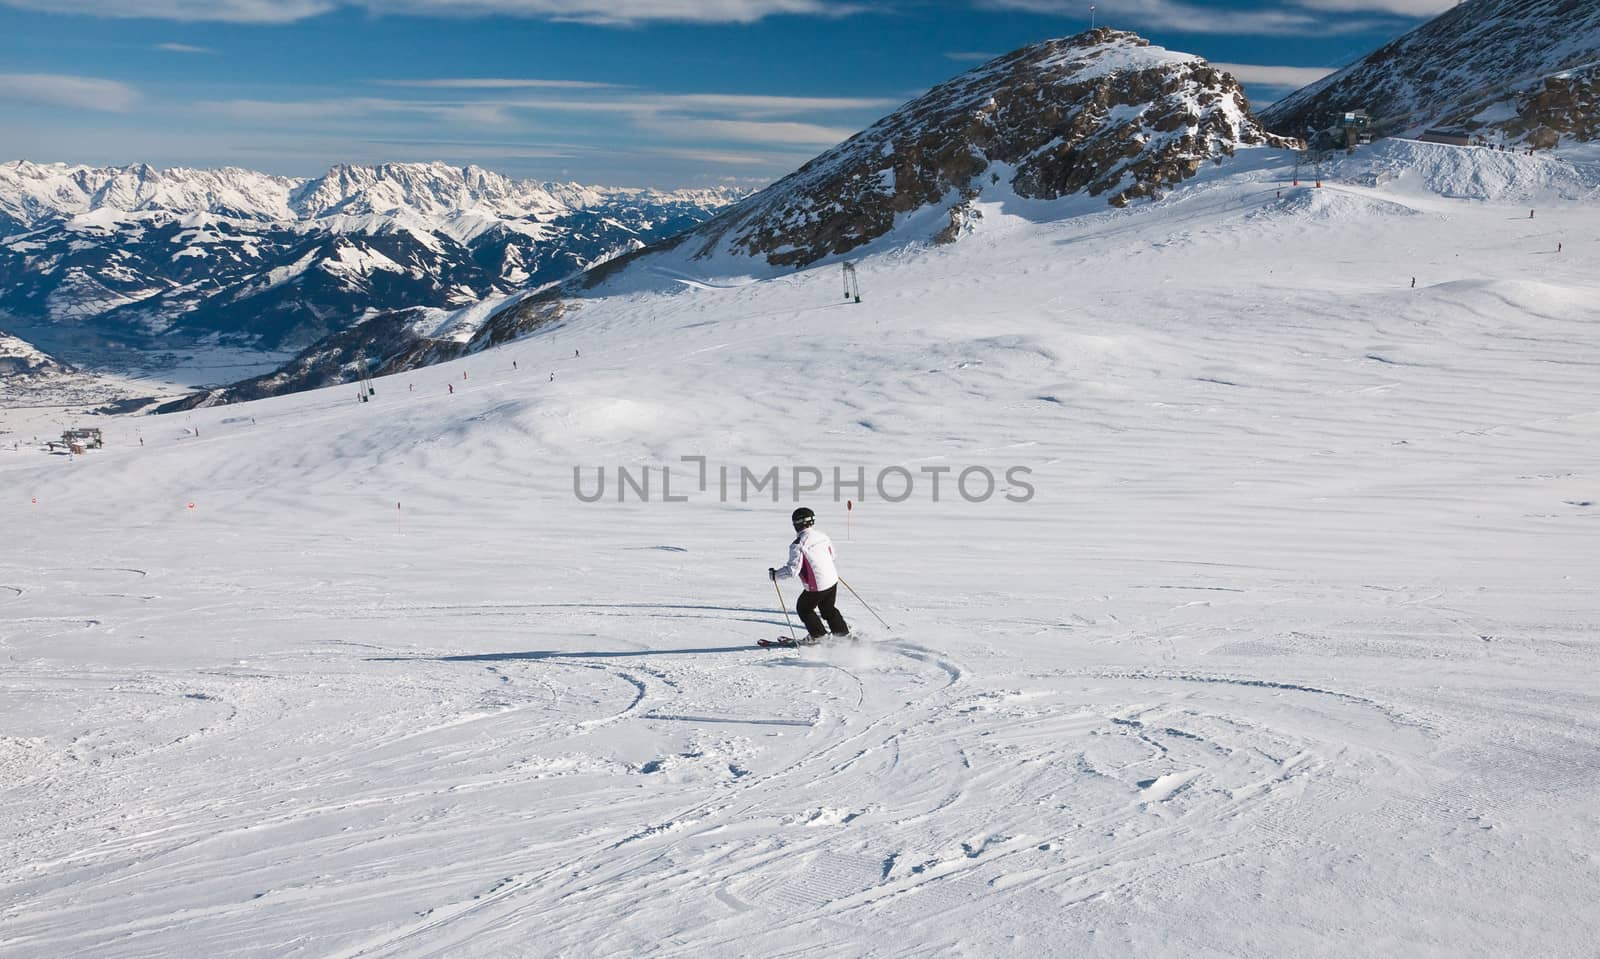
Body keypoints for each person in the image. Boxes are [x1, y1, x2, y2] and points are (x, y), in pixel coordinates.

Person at [768, 506, 850, 642]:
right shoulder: (822, 536)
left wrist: (776, 575)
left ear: (797, 524)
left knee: (804, 608)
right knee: (828, 608)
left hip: (817, 584)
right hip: (832, 579)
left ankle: (819, 637)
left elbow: (793, 570)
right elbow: (832, 555)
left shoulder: (798, 544)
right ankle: (842, 635)